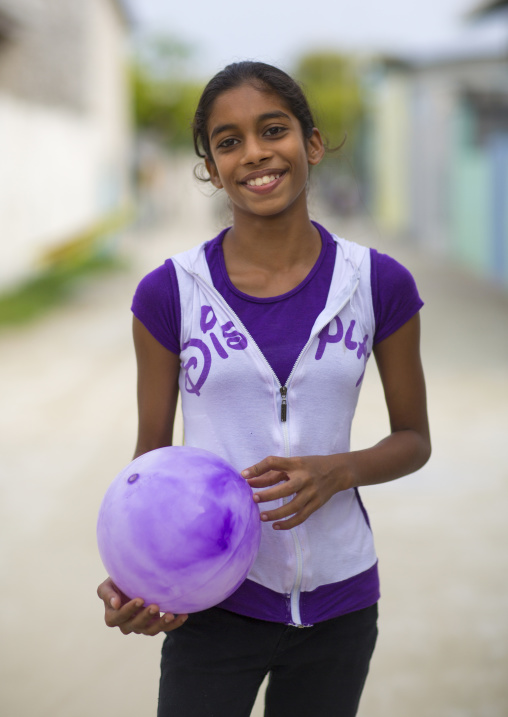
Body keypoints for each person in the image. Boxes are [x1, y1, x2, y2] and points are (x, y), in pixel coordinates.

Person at [97, 60, 431, 717]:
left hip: (341, 600)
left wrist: (341, 469)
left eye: (272, 129)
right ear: (211, 166)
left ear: (310, 143)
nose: (254, 153)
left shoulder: (377, 283)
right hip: (218, 600)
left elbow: (414, 438)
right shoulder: (169, 293)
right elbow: (151, 461)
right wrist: (138, 576)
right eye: (228, 141)